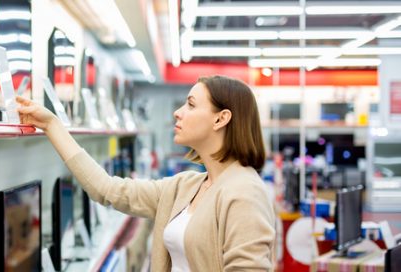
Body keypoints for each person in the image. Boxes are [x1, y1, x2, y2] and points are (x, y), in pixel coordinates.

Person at [16, 75, 275, 271]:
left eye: (191, 105)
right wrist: (51, 126)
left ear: (221, 119)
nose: (178, 112)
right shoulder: (185, 186)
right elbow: (106, 189)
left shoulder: (244, 192)